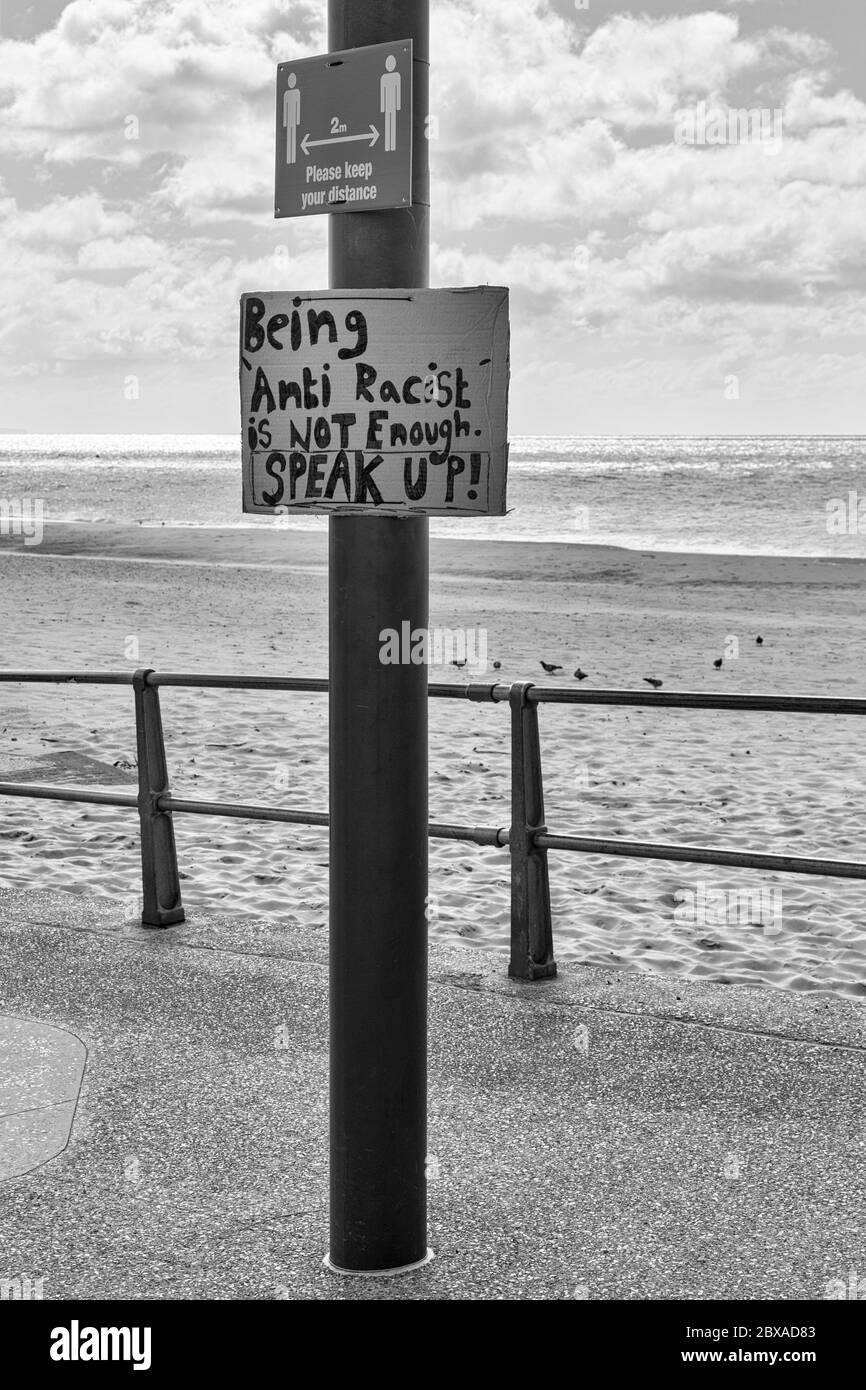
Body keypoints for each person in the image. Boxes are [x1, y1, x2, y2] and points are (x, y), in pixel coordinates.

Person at [380, 55, 400, 152]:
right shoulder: (383, 78)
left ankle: (392, 146)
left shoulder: (397, 76)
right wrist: (382, 107)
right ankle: (388, 146)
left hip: (393, 104)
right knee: (388, 124)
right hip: (387, 105)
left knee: (393, 124)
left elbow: (398, 91)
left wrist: (398, 105)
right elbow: (382, 93)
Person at [283, 72, 300, 164]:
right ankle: (289, 159)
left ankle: (292, 159)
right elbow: (285, 108)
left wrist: (297, 121)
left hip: (293, 120)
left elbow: (298, 106)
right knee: (289, 138)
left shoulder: (297, 92)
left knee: (293, 137)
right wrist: (285, 122)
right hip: (289, 119)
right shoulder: (286, 94)